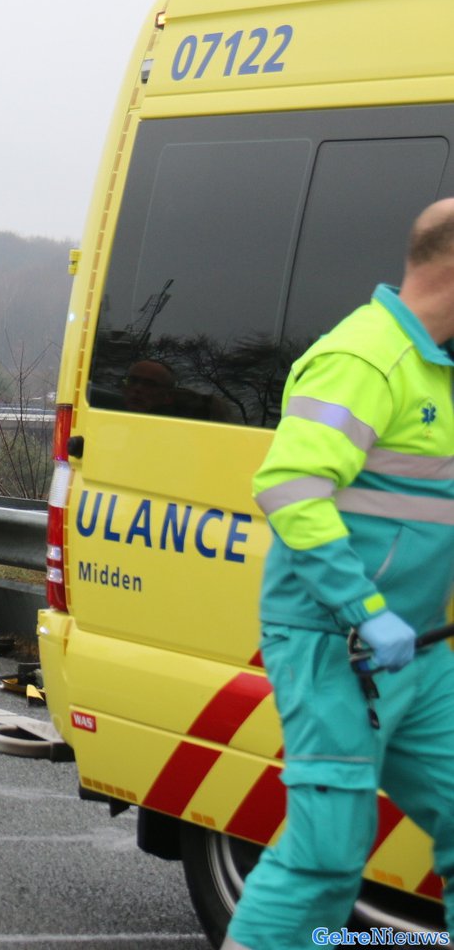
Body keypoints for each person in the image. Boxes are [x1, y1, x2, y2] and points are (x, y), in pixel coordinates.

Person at [225, 199, 454, 948]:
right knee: (326, 857)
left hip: (418, 648)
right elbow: (289, 486)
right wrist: (364, 609)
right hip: (337, 645)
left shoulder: (437, 370)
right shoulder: (366, 357)